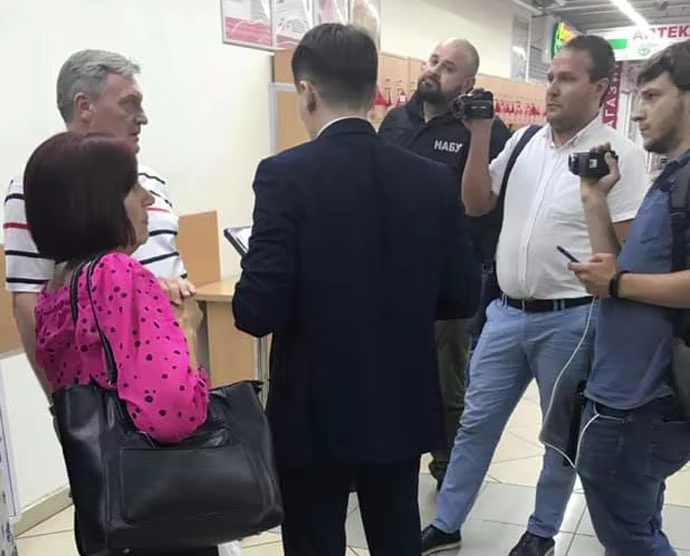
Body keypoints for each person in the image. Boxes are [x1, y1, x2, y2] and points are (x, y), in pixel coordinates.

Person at [232, 23, 480, 556]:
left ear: (307, 91)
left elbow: (257, 310)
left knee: (314, 538)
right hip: (399, 395)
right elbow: (463, 293)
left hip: (313, 407)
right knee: (395, 532)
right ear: (374, 92)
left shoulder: (284, 175)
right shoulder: (432, 178)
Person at [421, 35, 649, 556]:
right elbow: (476, 204)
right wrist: (480, 134)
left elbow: (626, 253)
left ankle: (542, 532)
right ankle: (448, 521)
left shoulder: (620, 156)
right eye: (550, 78)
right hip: (505, 313)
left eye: (567, 79)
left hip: (574, 318)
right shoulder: (523, 141)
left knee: (558, 434)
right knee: (476, 423)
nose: (552, 89)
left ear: (600, 87)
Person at [24, 131, 216, 556]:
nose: (148, 199)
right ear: (97, 202)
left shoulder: (54, 290)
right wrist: (186, 329)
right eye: (132, 186)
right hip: (157, 513)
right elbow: (175, 414)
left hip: (101, 507)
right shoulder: (118, 273)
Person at [4, 49, 196, 400]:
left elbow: (170, 267)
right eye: (129, 104)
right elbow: (28, 305)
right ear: (84, 107)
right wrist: (67, 409)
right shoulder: (39, 188)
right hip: (112, 397)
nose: (143, 118)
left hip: (176, 370)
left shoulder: (151, 181)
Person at [570, 39, 690, 555]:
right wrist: (594, 200)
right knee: (636, 521)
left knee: (628, 536)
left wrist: (618, 284)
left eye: (653, 96)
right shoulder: (672, 178)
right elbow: (620, 272)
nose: (638, 112)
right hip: (626, 389)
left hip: (645, 397)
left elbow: (621, 281)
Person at [378, 38, 511, 489]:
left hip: (449, 277)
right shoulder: (397, 122)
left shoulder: (486, 131)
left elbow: (490, 204)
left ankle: (447, 469)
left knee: (445, 378)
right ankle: (388, 455)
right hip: (390, 272)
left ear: (468, 83)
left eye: (449, 67)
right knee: (388, 368)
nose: (434, 70)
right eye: (433, 60)